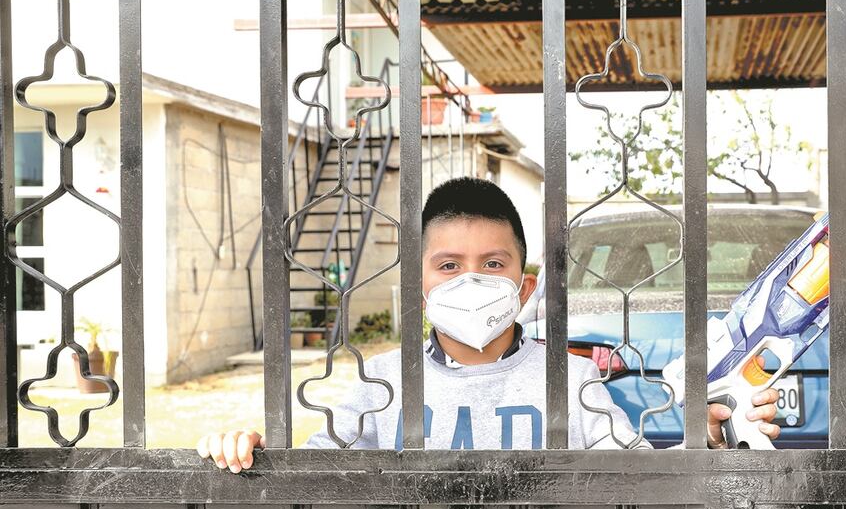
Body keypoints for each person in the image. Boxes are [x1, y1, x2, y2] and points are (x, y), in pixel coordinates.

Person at [198, 177, 780, 472]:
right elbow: (313, 477)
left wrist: (699, 435)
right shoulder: (378, 384)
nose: (470, 280)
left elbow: (634, 476)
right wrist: (250, 452)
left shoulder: (573, 382)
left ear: (524, 288)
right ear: (419, 287)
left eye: (493, 264)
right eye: (448, 266)